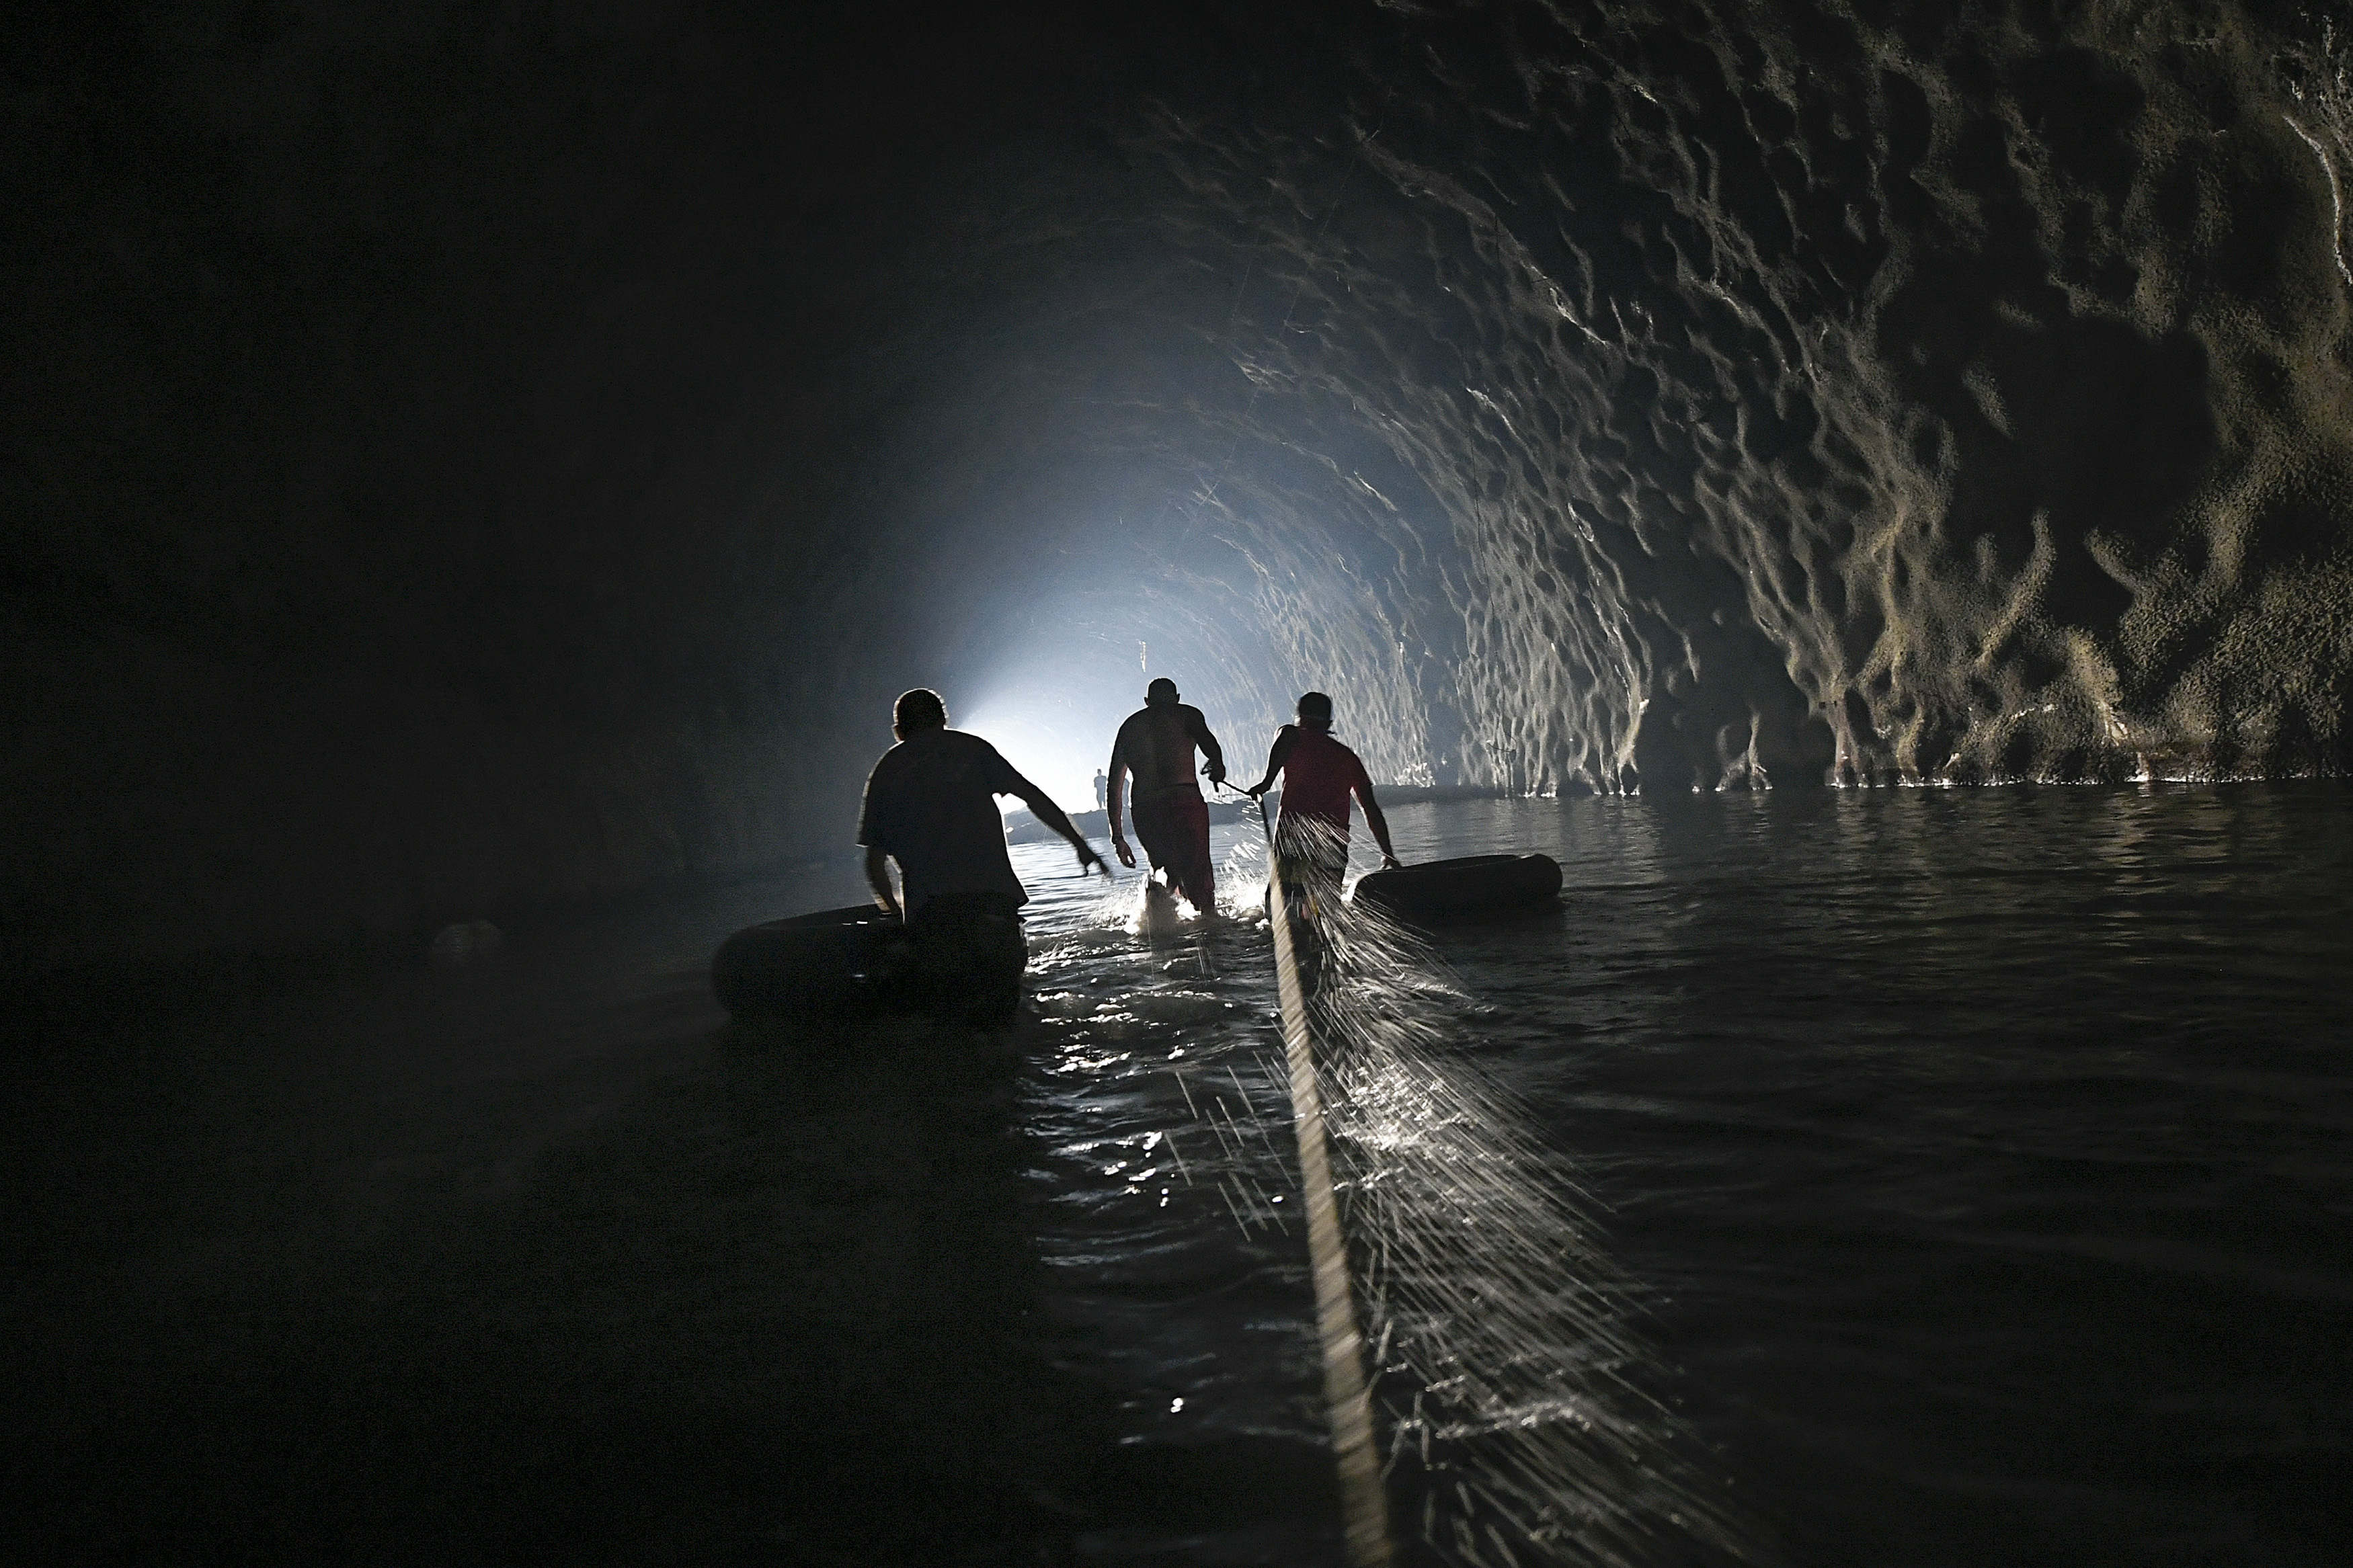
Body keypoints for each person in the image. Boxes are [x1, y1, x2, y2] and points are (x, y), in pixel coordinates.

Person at [859, 688, 1108, 1018]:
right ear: (944, 721)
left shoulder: (888, 769)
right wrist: (1080, 846)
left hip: (933, 918)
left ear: (899, 731)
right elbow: (1032, 796)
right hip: (993, 906)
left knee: (955, 1023)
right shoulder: (972, 749)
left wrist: (895, 916)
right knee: (1005, 1014)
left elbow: (875, 862)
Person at [1243, 690, 1401, 899]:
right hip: (1333, 842)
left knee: (1286, 901)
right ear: (1329, 722)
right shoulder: (1348, 758)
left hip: (1296, 837)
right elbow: (1370, 809)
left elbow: (1284, 737)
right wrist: (1387, 853)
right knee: (1326, 905)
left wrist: (1266, 783)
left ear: (1300, 718)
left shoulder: (1292, 737)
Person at [1105, 677, 1228, 914]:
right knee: (1198, 872)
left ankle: (1158, 924)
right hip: (1185, 801)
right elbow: (1209, 744)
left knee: (1163, 871)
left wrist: (1117, 837)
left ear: (1147, 701)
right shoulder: (1187, 714)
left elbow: (1114, 785)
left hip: (1145, 809)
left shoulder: (1130, 727)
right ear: (1177, 698)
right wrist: (1217, 765)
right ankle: (1209, 926)